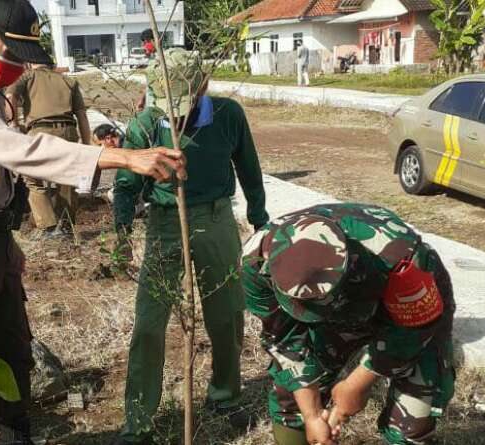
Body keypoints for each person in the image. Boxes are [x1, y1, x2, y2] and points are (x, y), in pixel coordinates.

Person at [0, 1, 185, 444]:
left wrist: (8, 239)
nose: (19, 69)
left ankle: (16, 435)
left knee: (15, 350)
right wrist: (120, 157)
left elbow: (3, 178)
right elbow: (23, 150)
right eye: (12, 57)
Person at [112, 48, 268, 445]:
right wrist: (122, 232)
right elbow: (128, 184)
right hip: (165, 224)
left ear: (203, 86)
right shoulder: (145, 123)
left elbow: (248, 166)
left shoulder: (228, 115)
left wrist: (260, 218)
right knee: (149, 323)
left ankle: (224, 395)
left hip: (217, 220)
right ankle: (138, 420)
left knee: (227, 313)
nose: (177, 113)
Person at [241, 203, 456, 445]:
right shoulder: (255, 263)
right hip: (337, 316)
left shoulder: (401, 255)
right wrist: (312, 415)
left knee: (410, 423)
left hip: (406, 312)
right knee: (292, 400)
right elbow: (284, 341)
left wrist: (357, 384)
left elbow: (413, 331)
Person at [5, 62, 93, 238]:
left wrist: (12, 124)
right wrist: (87, 146)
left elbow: (9, 95)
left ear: (30, 63)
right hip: (69, 130)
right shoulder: (68, 80)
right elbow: (82, 115)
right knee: (67, 178)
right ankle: (66, 226)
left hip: (40, 131)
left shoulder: (26, 76)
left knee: (32, 178)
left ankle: (49, 227)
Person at [135, 28, 157, 111]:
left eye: (145, 42)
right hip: (150, 103)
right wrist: (143, 99)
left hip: (157, 105)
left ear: (153, 41)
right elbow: (150, 85)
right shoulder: (151, 60)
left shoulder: (161, 60)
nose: (144, 46)